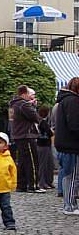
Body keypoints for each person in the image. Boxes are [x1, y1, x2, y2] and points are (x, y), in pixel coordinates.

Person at [9, 85, 44, 193]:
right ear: (24, 94)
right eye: (30, 94)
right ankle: (33, 185)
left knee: (23, 161)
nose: (31, 97)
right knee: (32, 161)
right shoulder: (24, 105)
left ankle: (21, 185)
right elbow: (35, 117)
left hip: (18, 135)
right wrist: (33, 106)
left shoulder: (13, 104)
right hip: (26, 135)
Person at [54, 77, 79, 216]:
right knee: (72, 175)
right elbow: (74, 125)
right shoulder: (73, 101)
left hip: (64, 144)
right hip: (71, 145)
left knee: (68, 175)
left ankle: (69, 204)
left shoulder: (64, 101)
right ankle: (69, 205)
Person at [36, 105, 55, 191]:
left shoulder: (39, 122)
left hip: (41, 144)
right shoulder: (43, 122)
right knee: (44, 164)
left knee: (46, 164)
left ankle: (45, 182)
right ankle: (42, 183)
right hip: (44, 145)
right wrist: (51, 130)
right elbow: (50, 133)